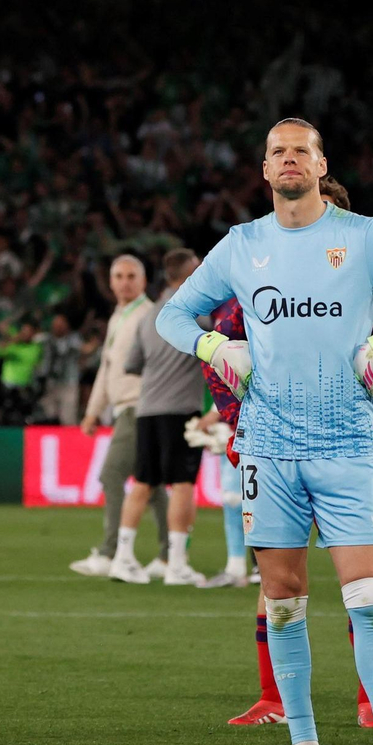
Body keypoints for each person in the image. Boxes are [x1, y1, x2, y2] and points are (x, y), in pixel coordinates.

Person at [157, 119, 373, 745]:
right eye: (278, 151)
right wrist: (216, 346)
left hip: (347, 446)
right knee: (284, 602)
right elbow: (172, 317)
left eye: (302, 149)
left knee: (369, 599)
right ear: (264, 171)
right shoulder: (241, 245)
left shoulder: (362, 237)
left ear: (321, 165)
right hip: (268, 451)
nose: (289, 159)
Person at [208, 174, 373, 730]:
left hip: (342, 451)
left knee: (359, 585)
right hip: (274, 451)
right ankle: (273, 699)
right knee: (276, 586)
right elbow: (217, 351)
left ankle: (369, 701)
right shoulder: (260, 285)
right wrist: (241, 427)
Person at [109, 248, 218, 587]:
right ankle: (176, 563)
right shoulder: (197, 317)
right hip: (180, 411)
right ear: (189, 274)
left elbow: (132, 365)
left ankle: (123, 558)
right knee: (182, 485)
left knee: (142, 483)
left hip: (147, 410)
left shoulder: (149, 316)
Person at [68, 256, 170, 579]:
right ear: (110, 282)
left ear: (143, 281)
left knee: (112, 476)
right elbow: (107, 368)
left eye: (131, 276)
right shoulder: (119, 316)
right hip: (128, 408)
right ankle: (170, 554)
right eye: (119, 276)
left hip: (139, 407)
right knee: (150, 484)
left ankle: (110, 552)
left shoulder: (148, 315)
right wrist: (93, 412)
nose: (125, 282)